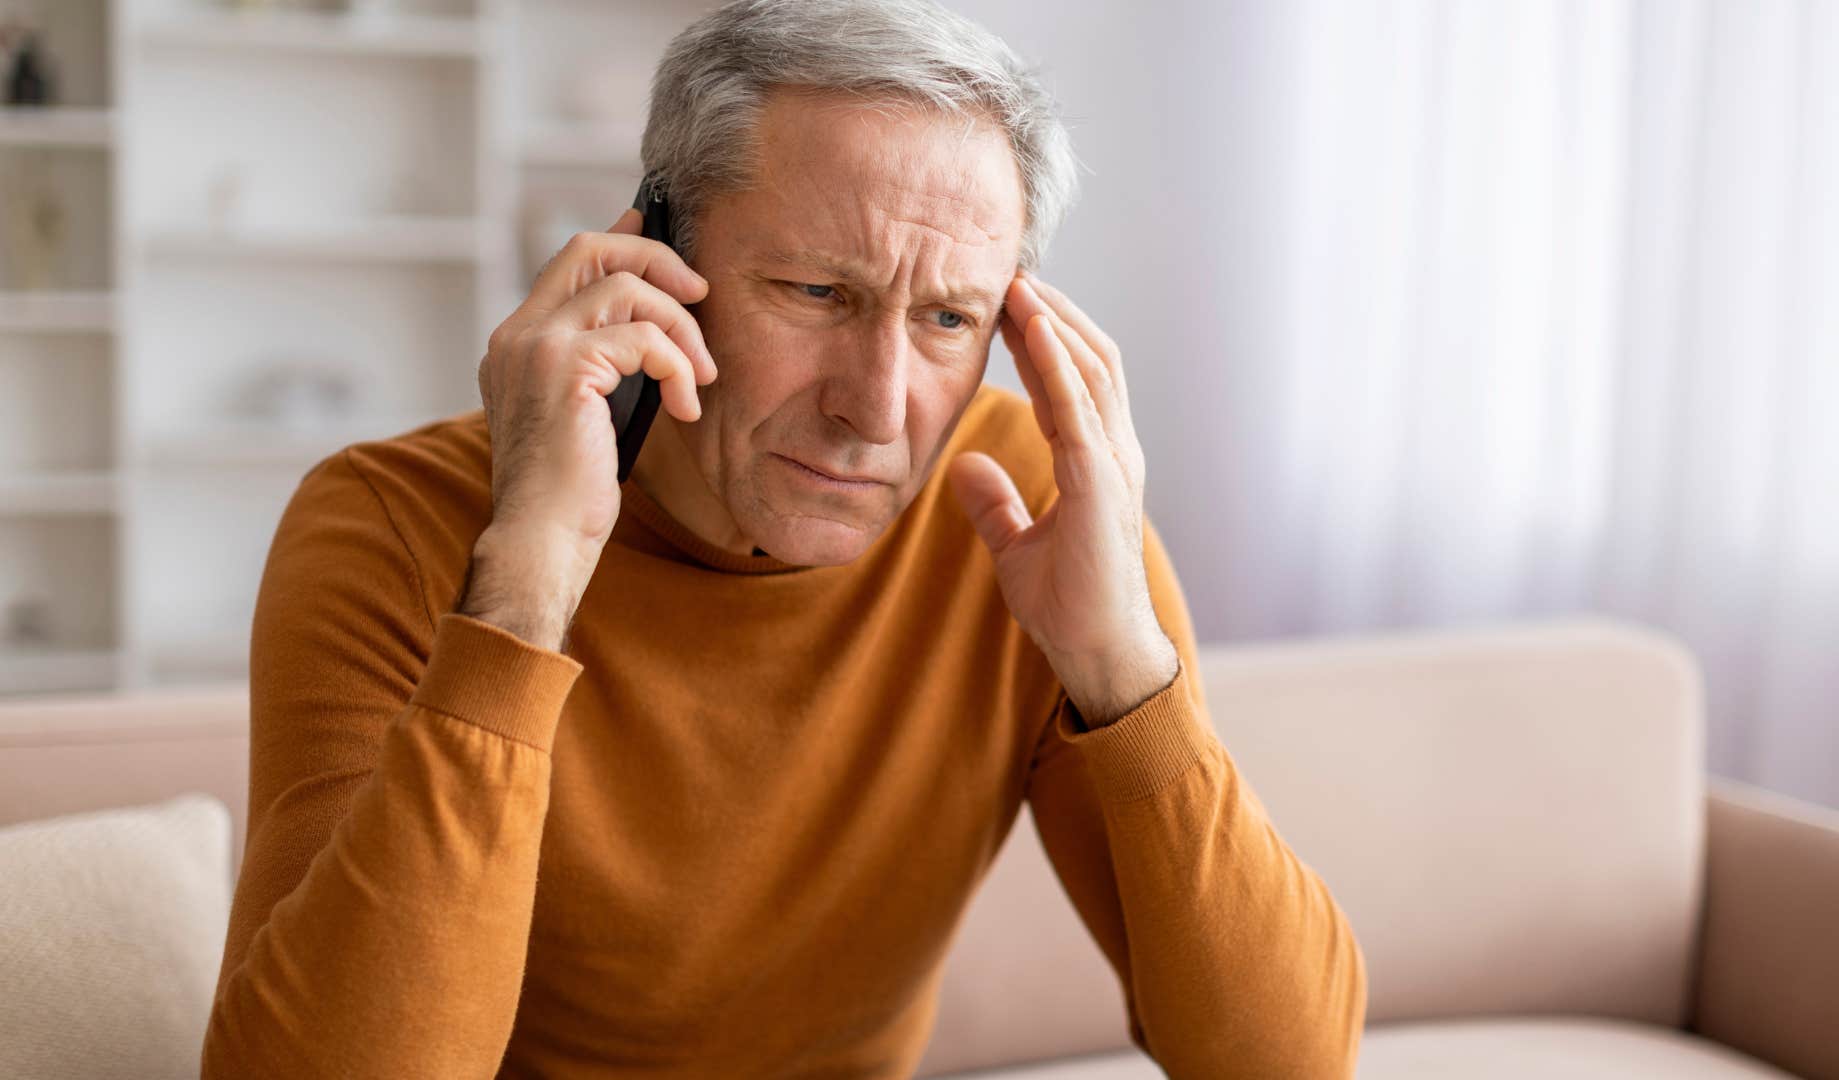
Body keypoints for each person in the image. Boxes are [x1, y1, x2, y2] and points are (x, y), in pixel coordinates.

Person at [200, 1, 1367, 1076]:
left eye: (947, 317)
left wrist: (1123, 669)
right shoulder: (389, 526)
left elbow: (1290, 1064)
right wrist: (526, 583)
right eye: (816, 292)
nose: (878, 407)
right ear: (654, 259)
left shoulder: (1029, 512)